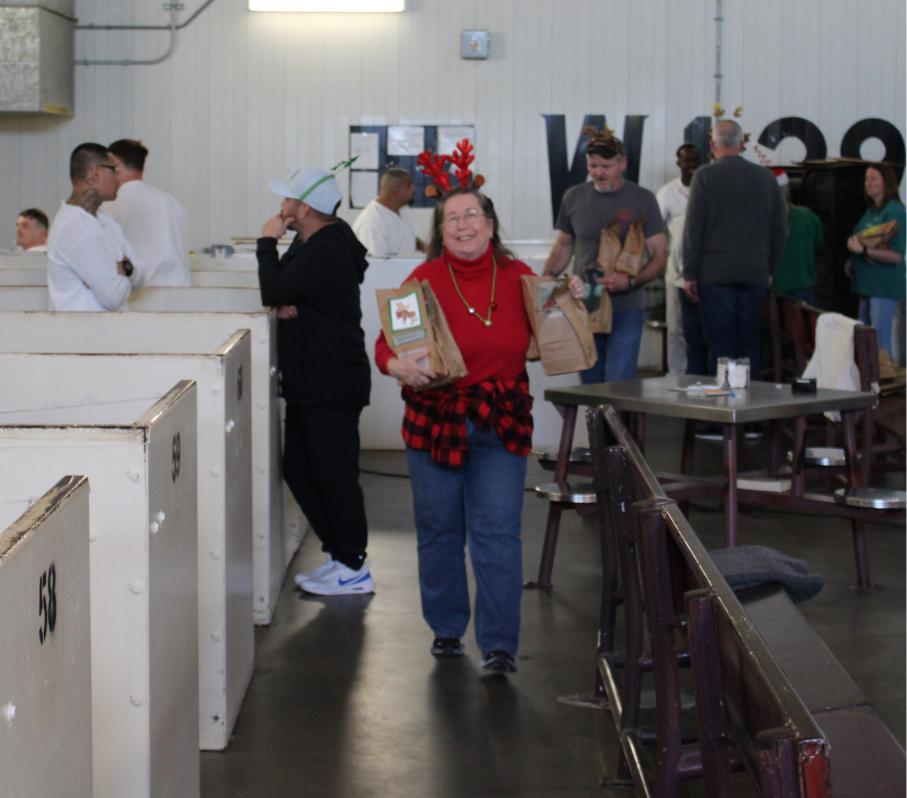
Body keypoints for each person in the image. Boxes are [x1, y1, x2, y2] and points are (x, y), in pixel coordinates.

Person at [375, 173, 584, 673]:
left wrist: (573, 293)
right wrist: (397, 364)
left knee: (497, 534)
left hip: (500, 421)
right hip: (435, 421)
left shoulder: (519, 277)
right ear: (441, 231)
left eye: (472, 215)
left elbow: (559, 319)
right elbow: (387, 346)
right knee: (439, 530)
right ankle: (446, 629)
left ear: (490, 225)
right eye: (452, 218)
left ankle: (499, 644)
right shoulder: (423, 280)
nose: (462, 225)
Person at [257, 165, 373, 596]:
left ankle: (354, 565)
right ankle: (340, 554)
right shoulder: (314, 242)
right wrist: (288, 298)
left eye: (288, 199)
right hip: (311, 380)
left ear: (304, 209)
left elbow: (273, 290)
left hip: (331, 381)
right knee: (300, 469)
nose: (282, 205)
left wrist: (267, 241)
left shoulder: (329, 248)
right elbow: (283, 291)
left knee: (333, 475)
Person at [544, 129, 667, 383]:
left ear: (623, 164)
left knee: (618, 387)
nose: (598, 172)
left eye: (606, 166)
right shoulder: (573, 197)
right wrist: (544, 284)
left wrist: (630, 282)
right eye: (593, 165)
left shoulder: (643, 199)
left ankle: (619, 412)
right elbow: (564, 246)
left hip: (627, 308)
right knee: (591, 388)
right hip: (585, 306)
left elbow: (659, 255)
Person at [681, 119, 787, 386]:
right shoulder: (766, 177)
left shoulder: (704, 176)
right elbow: (780, 229)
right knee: (750, 342)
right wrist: (771, 269)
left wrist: (689, 273)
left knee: (720, 345)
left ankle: (720, 408)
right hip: (754, 272)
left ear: (712, 144)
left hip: (714, 275)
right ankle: (751, 407)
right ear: (742, 143)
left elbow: (693, 229)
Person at [47, 143, 143, 311]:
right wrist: (125, 271)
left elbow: (142, 275)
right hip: (83, 326)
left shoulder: (106, 219)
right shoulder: (76, 227)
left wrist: (126, 269)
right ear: (94, 174)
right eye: (114, 170)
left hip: (106, 325)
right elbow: (113, 297)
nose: (118, 178)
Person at [103, 139, 191, 286]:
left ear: (116, 167)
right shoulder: (172, 203)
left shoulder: (109, 205)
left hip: (139, 293)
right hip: (181, 291)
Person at [846, 162, 905, 358]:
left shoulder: (894, 210)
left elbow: (896, 256)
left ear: (886, 182)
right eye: (866, 179)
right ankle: (869, 376)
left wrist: (863, 251)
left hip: (883, 287)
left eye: (873, 179)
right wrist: (853, 260)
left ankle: (885, 377)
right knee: (864, 340)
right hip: (866, 285)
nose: (868, 183)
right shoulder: (872, 210)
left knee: (880, 342)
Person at [657, 144, 702, 374]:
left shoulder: (708, 188)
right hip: (676, 273)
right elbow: (654, 231)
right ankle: (676, 376)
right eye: (687, 161)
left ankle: (700, 376)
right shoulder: (667, 193)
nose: (692, 167)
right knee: (676, 328)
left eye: (696, 162)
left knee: (702, 330)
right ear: (679, 163)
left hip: (706, 273)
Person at [772, 168, 822, 305]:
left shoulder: (761, 220)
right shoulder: (808, 216)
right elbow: (818, 245)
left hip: (773, 291)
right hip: (804, 290)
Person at [352, 167, 426, 257]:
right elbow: (375, 264)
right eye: (409, 186)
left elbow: (404, 235)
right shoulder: (371, 225)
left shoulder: (402, 209)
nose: (413, 189)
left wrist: (425, 247)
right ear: (396, 190)